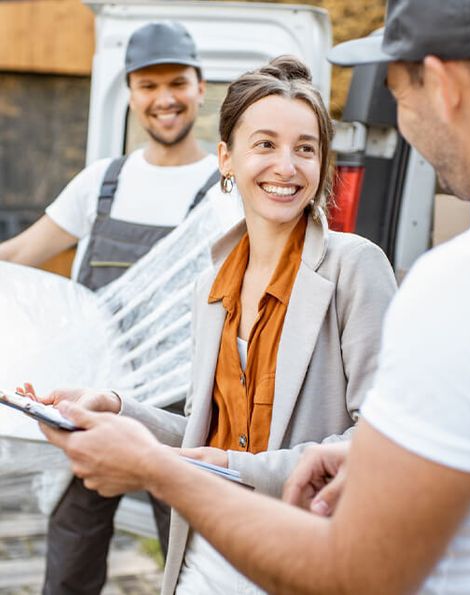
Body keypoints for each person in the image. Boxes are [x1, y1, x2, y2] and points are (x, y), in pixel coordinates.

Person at [43, 0, 470, 593]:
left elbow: (357, 571)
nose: (402, 121)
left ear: (441, 85)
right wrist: (369, 450)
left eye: (394, 90)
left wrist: (157, 469)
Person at [37, 55, 396, 594]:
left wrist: (227, 466)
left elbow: (381, 443)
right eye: (265, 144)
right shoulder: (212, 284)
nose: (287, 166)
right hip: (202, 560)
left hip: (301, 558)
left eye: (306, 148)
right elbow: (206, 439)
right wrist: (114, 405)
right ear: (226, 158)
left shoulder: (354, 266)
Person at [4, 21, 244, 595]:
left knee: (189, 567)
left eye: (177, 83)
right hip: (89, 406)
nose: (164, 99)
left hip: (184, 413)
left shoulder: (226, 190)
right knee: (69, 562)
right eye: (148, 85)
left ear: (200, 86)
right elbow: (18, 256)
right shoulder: (101, 183)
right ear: (130, 93)